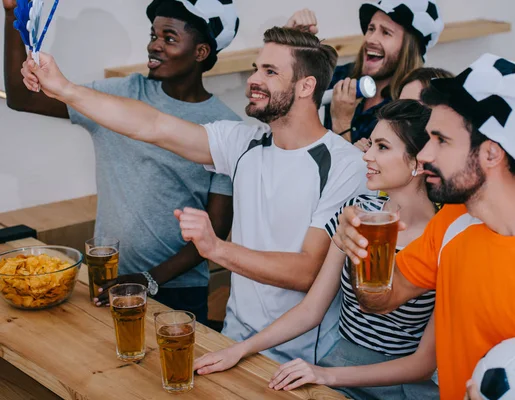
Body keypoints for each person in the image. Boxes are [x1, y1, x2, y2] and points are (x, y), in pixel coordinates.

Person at [21, 27, 369, 364]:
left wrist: (216, 248)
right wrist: (64, 88)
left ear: (306, 86)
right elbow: (152, 126)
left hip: (299, 358)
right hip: (233, 339)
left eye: (270, 71)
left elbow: (307, 272)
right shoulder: (243, 143)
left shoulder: (345, 164)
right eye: (255, 69)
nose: (253, 80)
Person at [333, 54, 515, 399]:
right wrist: (361, 253)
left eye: (441, 140)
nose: (425, 154)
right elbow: (380, 300)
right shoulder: (451, 222)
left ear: (491, 154)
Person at [193, 94, 452, 400]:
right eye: (370, 145)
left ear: (419, 161)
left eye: (382, 147)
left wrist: (326, 374)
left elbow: (423, 365)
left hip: (398, 387)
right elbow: (312, 309)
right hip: (337, 364)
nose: (367, 156)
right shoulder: (359, 210)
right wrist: (240, 349)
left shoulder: (446, 237)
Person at [3, 0, 241, 324]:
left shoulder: (226, 128)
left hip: (177, 291)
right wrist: (11, 13)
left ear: (200, 52)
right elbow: (22, 97)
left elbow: (218, 228)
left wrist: (148, 278)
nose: (154, 45)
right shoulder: (119, 95)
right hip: (106, 283)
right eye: (153, 34)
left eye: (169, 38)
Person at [286, 0, 444, 145]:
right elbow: (285, 98)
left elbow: (369, 174)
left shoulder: (408, 104)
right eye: (371, 28)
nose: (370, 39)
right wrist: (290, 44)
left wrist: (341, 122)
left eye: (386, 32)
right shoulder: (342, 75)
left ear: (409, 48)